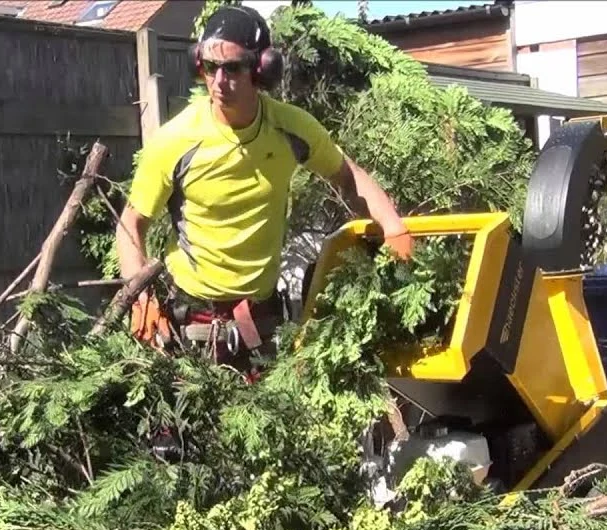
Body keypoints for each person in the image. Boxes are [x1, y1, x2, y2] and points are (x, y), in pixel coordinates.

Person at [116, 4, 411, 375]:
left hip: (262, 318)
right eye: (210, 67)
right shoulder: (175, 141)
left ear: (262, 69)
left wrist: (394, 228)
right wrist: (138, 293)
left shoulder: (291, 129)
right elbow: (131, 223)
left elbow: (348, 175)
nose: (219, 81)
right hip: (191, 321)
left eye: (233, 67)